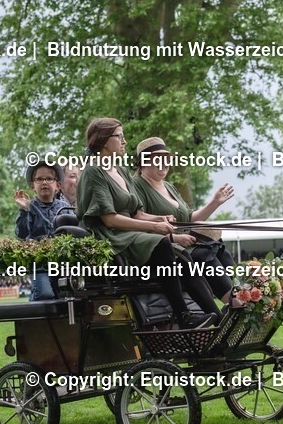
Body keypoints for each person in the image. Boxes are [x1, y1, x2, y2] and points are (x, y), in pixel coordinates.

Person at [75, 118, 221, 328]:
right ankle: (184, 315)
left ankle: (218, 319)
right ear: (105, 140)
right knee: (161, 242)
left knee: (182, 258)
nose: (124, 141)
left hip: (127, 231)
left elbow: (137, 213)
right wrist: (154, 227)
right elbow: (110, 219)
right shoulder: (93, 171)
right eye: (120, 136)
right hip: (110, 236)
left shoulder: (121, 170)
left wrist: (159, 218)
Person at [133, 136, 237, 301]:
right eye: (158, 159)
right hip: (164, 250)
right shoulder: (136, 185)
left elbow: (189, 219)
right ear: (143, 162)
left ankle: (244, 293)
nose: (164, 164)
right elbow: (137, 225)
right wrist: (175, 238)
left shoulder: (169, 186)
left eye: (167, 159)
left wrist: (215, 202)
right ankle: (233, 302)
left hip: (185, 244)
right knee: (204, 255)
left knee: (219, 248)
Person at [14, 161, 74, 300]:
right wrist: (24, 210)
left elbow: (74, 231)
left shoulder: (65, 207)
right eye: (39, 179)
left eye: (49, 179)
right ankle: (35, 307)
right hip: (39, 264)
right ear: (32, 186)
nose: (44, 182)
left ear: (58, 185)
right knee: (44, 293)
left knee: (65, 295)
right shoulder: (29, 207)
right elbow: (21, 234)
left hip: (62, 263)